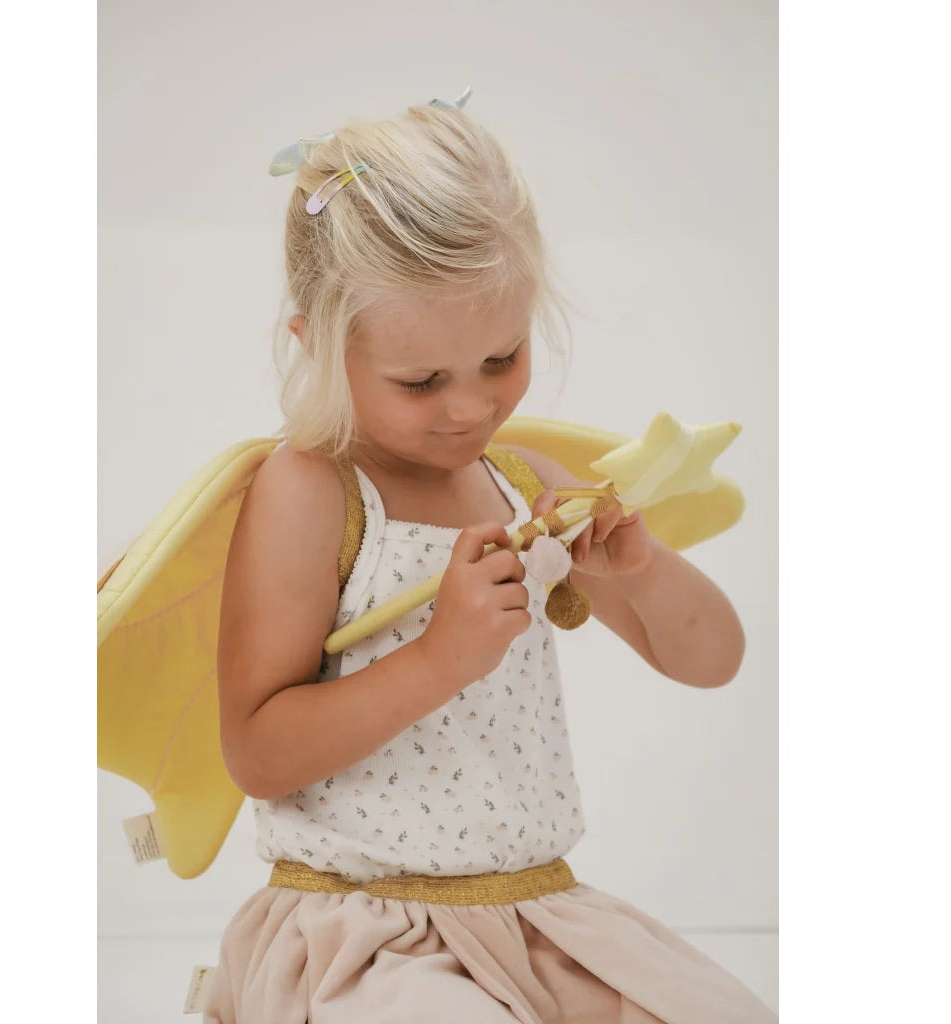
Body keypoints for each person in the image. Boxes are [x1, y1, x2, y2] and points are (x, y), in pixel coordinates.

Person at [203, 96, 776, 1023]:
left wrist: (640, 569)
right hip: (365, 936)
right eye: (421, 381)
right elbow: (258, 753)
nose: (469, 409)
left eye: (502, 358)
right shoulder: (313, 492)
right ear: (315, 344)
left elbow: (713, 660)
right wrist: (440, 660)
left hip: (539, 917)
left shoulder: (522, 484)